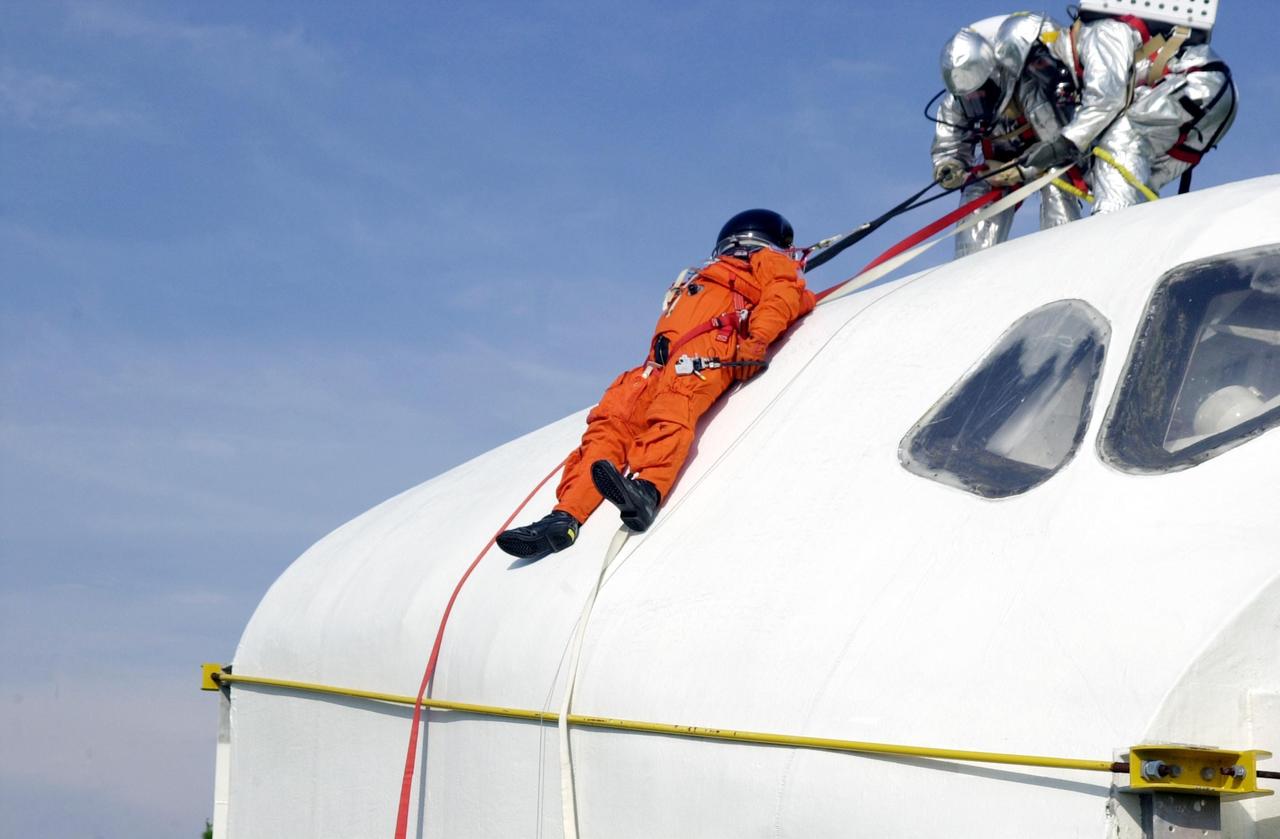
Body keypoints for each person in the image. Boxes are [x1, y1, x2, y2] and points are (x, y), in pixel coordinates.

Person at [496, 210, 815, 562]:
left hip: (705, 349)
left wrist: (757, 339)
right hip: (653, 368)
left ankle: (646, 491)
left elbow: (783, 295)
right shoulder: (701, 278)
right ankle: (564, 516)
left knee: (676, 407)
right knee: (608, 427)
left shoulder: (764, 261)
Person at [1010, 6, 1236, 213]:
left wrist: (1062, 143)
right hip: (1204, 102)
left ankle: (1110, 230)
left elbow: (1106, 101)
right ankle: (1141, 242)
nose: (1043, 74)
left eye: (1037, 65)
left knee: (1122, 138)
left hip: (1198, 85)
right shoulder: (1082, 64)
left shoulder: (1098, 33)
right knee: (1135, 180)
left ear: (1043, 46)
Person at [930, 13, 1082, 257]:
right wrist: (949, 165)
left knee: (1056, 182)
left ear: (992, 77)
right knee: (976, 191)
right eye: (969, 99)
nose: (975, 103)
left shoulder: (1027, 86)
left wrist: (1021, 169)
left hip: (1043, 158)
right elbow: (949, 143)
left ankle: (1061, 252)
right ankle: (971, 265)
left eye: (980, 94)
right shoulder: (956, 102)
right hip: (997, 167)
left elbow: (1056, 140)